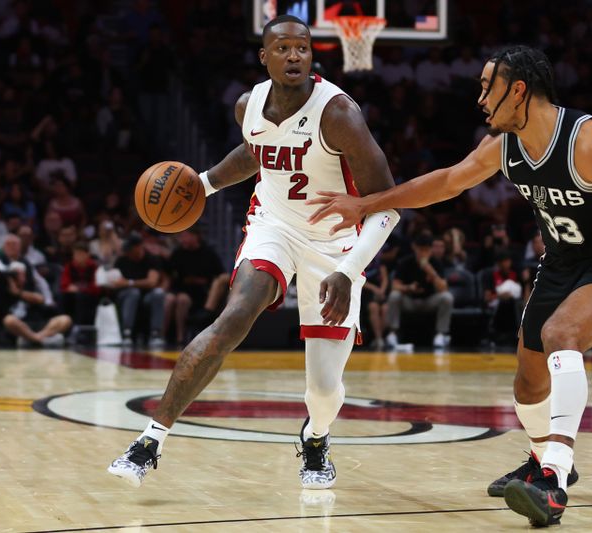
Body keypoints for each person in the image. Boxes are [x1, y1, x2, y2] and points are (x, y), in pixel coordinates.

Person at [306, 45, 592, 527]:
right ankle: (544, 458)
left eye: (487, 86)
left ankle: (553, 483)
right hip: (561, 261)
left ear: (518, 89)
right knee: (527, 384)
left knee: (561, 336)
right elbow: (448, 182)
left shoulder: (587, 140)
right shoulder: (504, 145)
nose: (479, 98)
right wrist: (367, 202)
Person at [108, 15, 397, 490]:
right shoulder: (250, 105)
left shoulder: (339, 114)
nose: (294, 56)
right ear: (265, 57)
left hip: (335, 244)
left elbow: (387, 205)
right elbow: (255, 152)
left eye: (302, 48)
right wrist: (201, 184)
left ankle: (317, 436)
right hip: (275, 226)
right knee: (233, 317)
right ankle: (149, 440)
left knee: (323, 390)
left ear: (311, 56)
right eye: (282, 48)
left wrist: (348, 270)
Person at [385, 233, 454, 349]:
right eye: (420, 249)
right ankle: (393, 333)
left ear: (431, 249)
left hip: (429, 301)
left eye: (426, 250)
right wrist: (409, 288)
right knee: (394, 296)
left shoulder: (436, 263)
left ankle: (441, 334)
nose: (423, 253)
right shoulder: (405, 262)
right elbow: (394, 286)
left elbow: (443, 288)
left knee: (447, 297)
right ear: (414, 247)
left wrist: (429, 270)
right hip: (410, 301)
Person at [163, 228, 228, 344]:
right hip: (181, 289)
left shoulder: (208, 253)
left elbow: (221, 274)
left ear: (195, 236)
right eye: (181, 236)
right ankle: (162, 335)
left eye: (184, 236)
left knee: (182, 300)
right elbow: (169, 275)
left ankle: (180, 336)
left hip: (201, 293)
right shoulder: (178, 253)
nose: (182, 239)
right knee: (170, 299)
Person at [112, 232, 166, 347]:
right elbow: (116, 282)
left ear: (139, 247)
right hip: (126, 296)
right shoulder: (121, 260)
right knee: (133, 293)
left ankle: (155, 334)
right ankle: (127, 333)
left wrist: (129, 282)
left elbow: (152, 282)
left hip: (147, 297)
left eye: (130, 249)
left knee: (158, 293)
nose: (128, 253)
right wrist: (130, 285)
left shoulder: (152, 259)